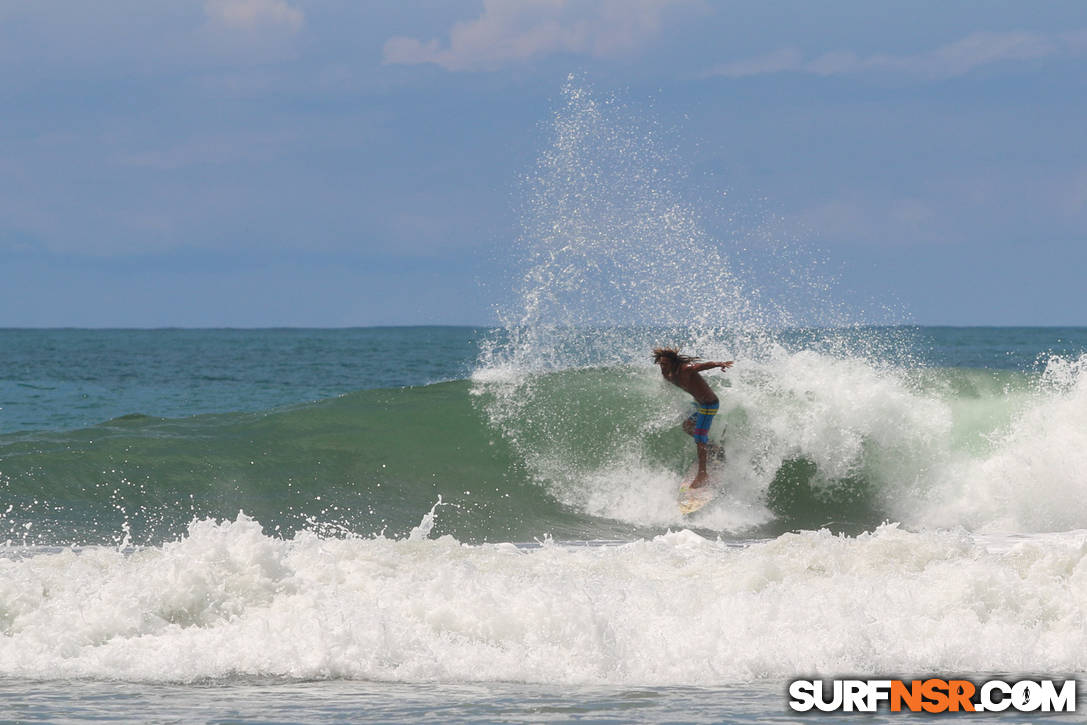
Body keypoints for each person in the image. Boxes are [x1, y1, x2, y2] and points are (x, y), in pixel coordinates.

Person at [652, 347, 733, 489]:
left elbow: (702, 366)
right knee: (687, 426)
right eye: (661, 364)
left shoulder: (685, 369)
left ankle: (702, 475)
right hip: (699, 404)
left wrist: (720, 364)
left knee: (699, 438)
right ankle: (714, 448)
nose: (662, 367)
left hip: (709, 405)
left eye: (665, 364)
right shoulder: (668, 375)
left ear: (673, 363)